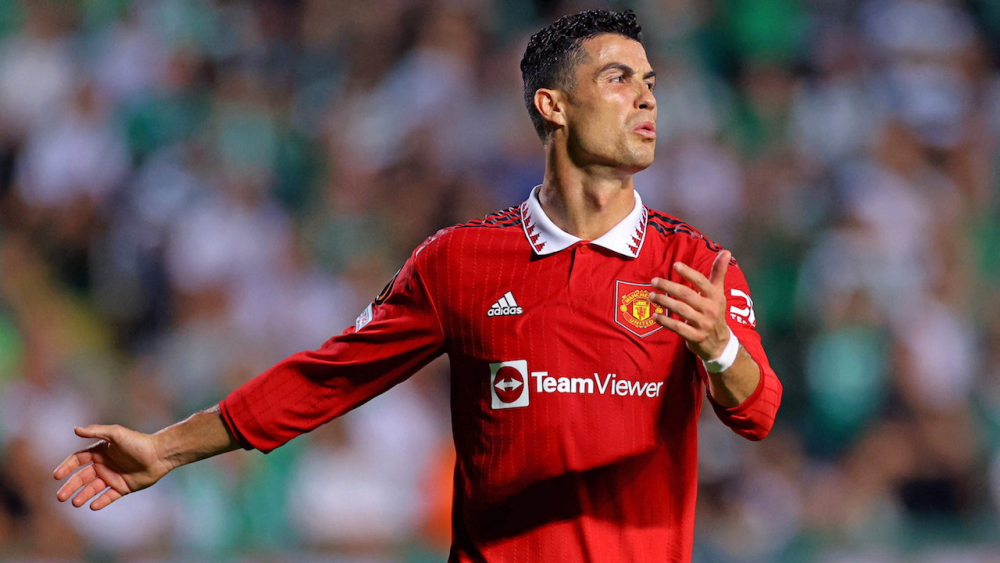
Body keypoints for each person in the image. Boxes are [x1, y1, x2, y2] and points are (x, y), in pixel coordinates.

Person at [53, 10, 781, 562]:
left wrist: (718, 346)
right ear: (553, 106)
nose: (647, 99)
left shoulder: (694, 264)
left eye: (650, 83)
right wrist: (167, 449)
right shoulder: (460, 260)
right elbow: (327, 377)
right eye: (619, 79)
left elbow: (757, 411)